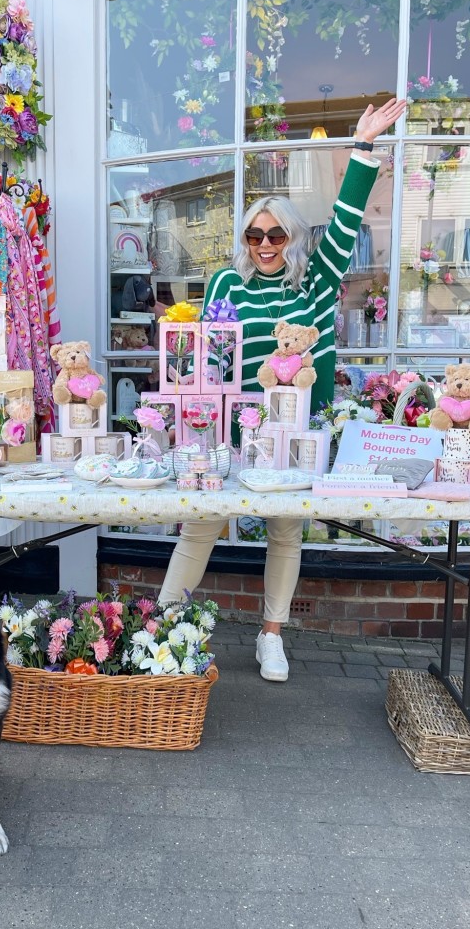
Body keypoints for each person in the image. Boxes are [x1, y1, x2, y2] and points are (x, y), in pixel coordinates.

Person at [157, 97, 408, 682]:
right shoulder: (224, 281)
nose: (264, 244)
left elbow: (345, 221)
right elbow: (205, 356)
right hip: (230, 426)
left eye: (274, 234)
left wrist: (362, 149)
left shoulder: (314, 283)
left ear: (292, 237)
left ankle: (272, 635)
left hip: (293, 429)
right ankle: (162, 623)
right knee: (202, 521)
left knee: (284, 528)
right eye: (253, 234)